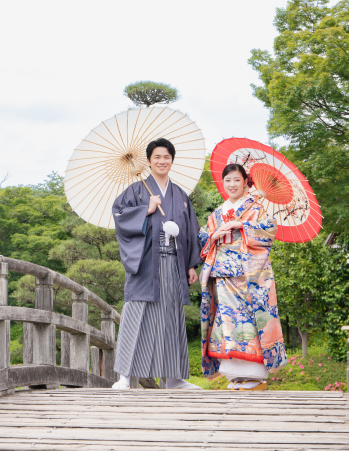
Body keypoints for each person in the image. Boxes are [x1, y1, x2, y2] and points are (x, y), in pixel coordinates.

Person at [111, 138, 202, 390]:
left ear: (172, 161)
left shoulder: (180, 195)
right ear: (149, 161)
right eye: (157, 157)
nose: (162, 161)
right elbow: (119, 215)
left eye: (167, 157)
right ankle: (126, 377)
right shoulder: (136, 191)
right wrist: (146, 210)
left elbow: (191, 230)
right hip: (146, 262)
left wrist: (190, 265)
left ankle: (173, 378)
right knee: (136, 313)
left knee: (171, 316)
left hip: (173, 261)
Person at [198, 164, 287, 390]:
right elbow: (203, 238)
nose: (232, 185)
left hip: (249, 277)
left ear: (245, 181)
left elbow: (269, 231)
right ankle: (235, 376)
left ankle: (255, 376)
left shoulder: (256, 208)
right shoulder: (217, 213)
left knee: (251, 321)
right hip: (223, 276)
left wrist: (242, 224)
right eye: (227, 180)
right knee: (227, 323)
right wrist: (213, 235)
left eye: (237, 180)